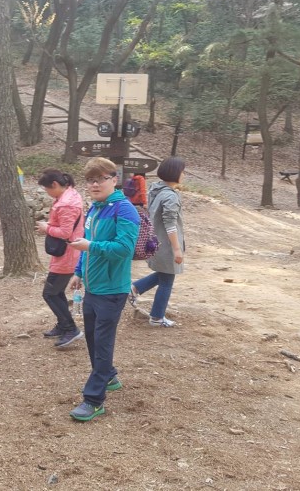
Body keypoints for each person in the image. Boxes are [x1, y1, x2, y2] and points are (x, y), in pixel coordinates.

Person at [67, 158, 140, 422]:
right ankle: (108, 376)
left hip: (112, 289)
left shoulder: (125, 210)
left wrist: (90, 247)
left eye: (101, 179)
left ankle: (94, 400)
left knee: (102, 343)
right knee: (92, 338)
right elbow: (87, 244)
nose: (95, 184)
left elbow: (124, 249)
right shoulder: (95, 209)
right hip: (93, 287)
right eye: (90, 180)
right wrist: (78, 272)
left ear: (114, 179)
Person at [129, 157, 186, 328]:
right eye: (182, 171)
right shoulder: (170, 196)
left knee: (164, 275)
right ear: (175, 173)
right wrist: (177, 249)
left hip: (155, 242)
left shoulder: (157, 190)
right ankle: (157, 317)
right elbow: (170, 224)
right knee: (167, 279)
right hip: (166, 245)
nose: (183, 175)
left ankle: (134, 289)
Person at [35, 168, 85, 348]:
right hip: (67, 252)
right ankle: (63, 324)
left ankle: (71, 329)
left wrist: (46, 228)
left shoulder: (66, 204)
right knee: (57, 292)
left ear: (55, 184)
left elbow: (65, 232)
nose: (47, 193)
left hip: (67, 254)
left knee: (49, 293)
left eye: (47, 189)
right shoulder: (70, 195)